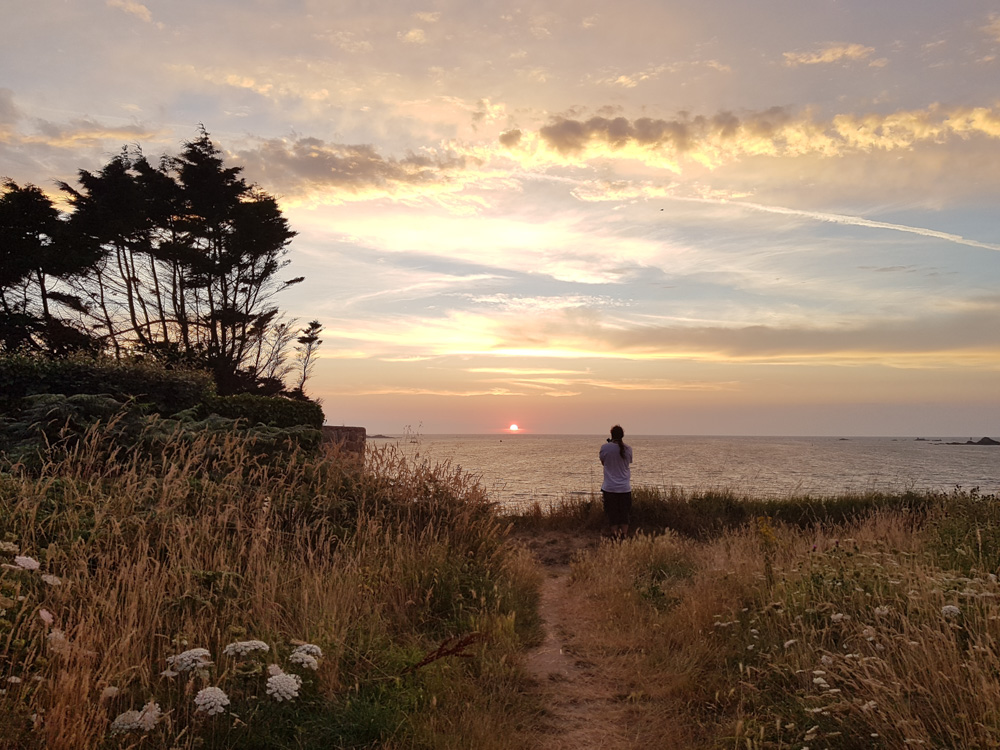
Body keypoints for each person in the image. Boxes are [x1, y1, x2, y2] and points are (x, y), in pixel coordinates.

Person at [599, 425, 633, 538]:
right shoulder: (628, 449)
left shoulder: (605, 448)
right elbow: (627, 463)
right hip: (624, 487)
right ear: (622, 435)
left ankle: (614, 535)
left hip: (610, 487)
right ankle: (624, 535)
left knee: (612, 513)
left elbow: (604, 462)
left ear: (611, 435)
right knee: (624, 513)